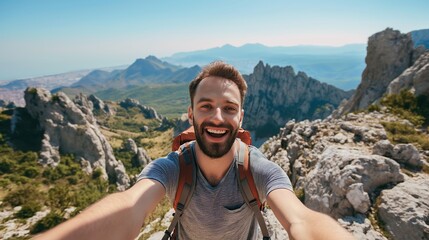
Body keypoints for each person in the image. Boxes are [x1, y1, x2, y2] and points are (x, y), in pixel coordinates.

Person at [34, 61, 355, 240]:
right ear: (191, 113)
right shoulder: (172, 168)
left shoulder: (258, 168)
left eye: (229, 108)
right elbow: (129, 207)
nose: (217, 117)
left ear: (241, 117)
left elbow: (302, 220)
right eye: (206, 106)